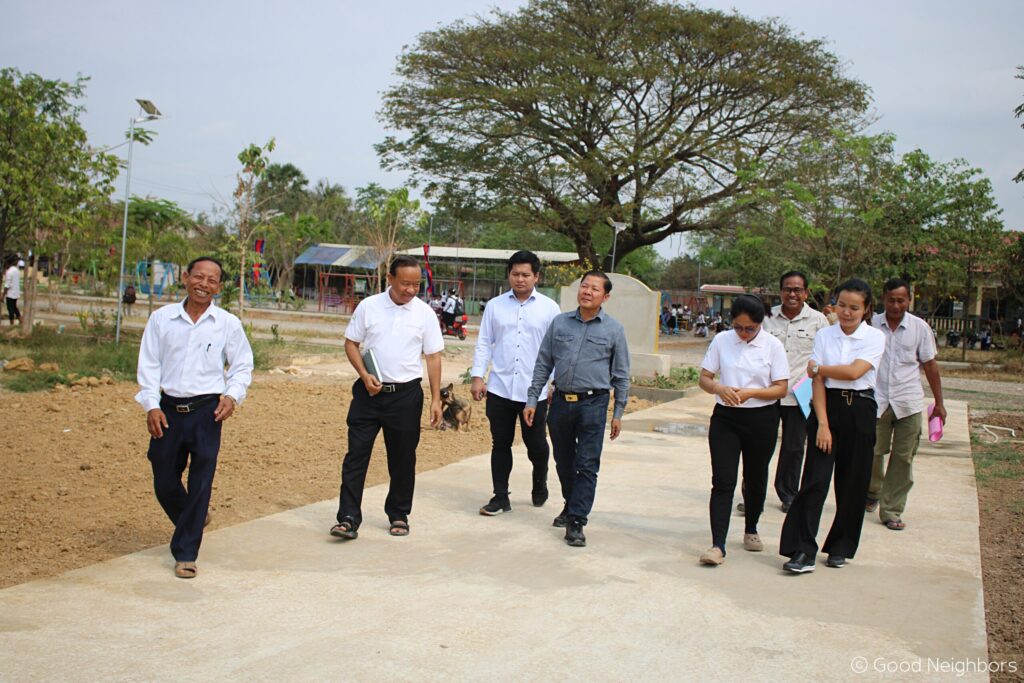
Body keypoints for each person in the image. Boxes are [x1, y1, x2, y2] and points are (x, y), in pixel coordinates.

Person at [135, 256, 253, 579]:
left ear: (219, 286)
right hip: (168, 409)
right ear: (185, 278)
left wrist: (233, 396)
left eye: (212, 280)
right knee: (163, 476)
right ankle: (194, 517)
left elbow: (242, 365)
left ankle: (186, 552)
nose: (204, 284)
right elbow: (148, 365)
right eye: (198, 277)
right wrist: (151, 405)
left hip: (206, 412)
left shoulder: (227, 323)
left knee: (201, 482)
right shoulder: (161, 319)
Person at [330, 256, 443, 540]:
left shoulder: (424, 313)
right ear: (390, 278)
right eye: (405, 283)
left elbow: (433, 357)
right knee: (356, 455)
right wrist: (363, 374)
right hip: (368, 394)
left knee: (403, 458)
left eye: (416, 284)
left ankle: (399, 513)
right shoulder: (369, 307)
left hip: (405, 396)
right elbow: (351, 343)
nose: (410, 289)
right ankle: (347, 518)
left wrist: (436, 398)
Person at [780, 278, 885, 573]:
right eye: (842, 305)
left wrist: (820, 368)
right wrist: (823, 425)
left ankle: (840, 546)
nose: (847, 312)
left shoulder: (874, 338)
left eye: (854, 308)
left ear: (866, 310)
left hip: (860, 410)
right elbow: (817, 381)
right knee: (814, 480)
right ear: (835, 305)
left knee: (852, 483)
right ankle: (802, 549)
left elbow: (854, 373)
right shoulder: (826, 335)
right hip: (826, 409)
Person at [524, 270, 630, 548]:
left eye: (595, 289)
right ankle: (571, 505)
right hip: (560, 402)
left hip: (593, 405)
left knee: (587, 465)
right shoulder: (559, 324)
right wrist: (532, 399)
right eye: (585, 286)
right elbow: (543, 364)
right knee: (564, 460)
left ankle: (577, 521)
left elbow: (621, 375)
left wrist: (618, 412)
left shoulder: (614, 330)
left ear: (605, 296)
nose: (587, 292)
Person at [697, 294, 789, 565]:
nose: (744, 333)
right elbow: (705, 377)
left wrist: (751, 393)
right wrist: (719, 388)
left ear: (761, 324)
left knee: (755, 476)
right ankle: (718, 544)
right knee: (723, 480)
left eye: (750, 328)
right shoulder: (722, 340)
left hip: (762, 418)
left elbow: (781, 388)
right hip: (726, 418)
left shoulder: (772, 345)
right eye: (738, 327)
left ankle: (751, 528)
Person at [470, 250, 561, 515]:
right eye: (515, 274)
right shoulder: (496, 306)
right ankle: (500, 497)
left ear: (536, 277)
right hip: (499, 388)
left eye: (525, 275)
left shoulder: (549, 308)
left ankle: (539, 479)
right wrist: (478, 376)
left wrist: (553, 384)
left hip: (535, 391)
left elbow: (556, 348)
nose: (520, 279)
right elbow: (485, 342)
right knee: (500, 443)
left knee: (536, 445)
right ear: (508, 275)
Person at [866, 278, 946, 531]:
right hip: (876, 400)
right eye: (891, 300)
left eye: (901, 300)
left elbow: (930, 365)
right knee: (872, 452)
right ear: (883, 299)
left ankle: (892, 510)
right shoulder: (870, 326)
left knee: (903, 458)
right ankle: (872, 491)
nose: (896, 305)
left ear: (909, 300)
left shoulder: (920, 328)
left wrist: (939, 403)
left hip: (908, 401)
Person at [763, 271, 830, 513]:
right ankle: (753, 493)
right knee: (760, 446)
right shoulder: (766, 317)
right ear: (780, 291)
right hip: (767, 393)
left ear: (806, 292)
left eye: (798, 290)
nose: (792, 294)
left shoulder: (819, 321)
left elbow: (823, 357)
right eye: (788, 289)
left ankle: (788, 494)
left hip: (799, 396)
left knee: (794, 448)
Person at [3, 256, 22, 326]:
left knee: (10, 309)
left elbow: (7, 285)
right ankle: (21, 320)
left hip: (10, 293)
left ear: (8, 263)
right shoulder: (16, 270)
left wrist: (2, 295)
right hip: (16, 292)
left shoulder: (9, 272)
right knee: (14, 307)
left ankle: (12, 323)